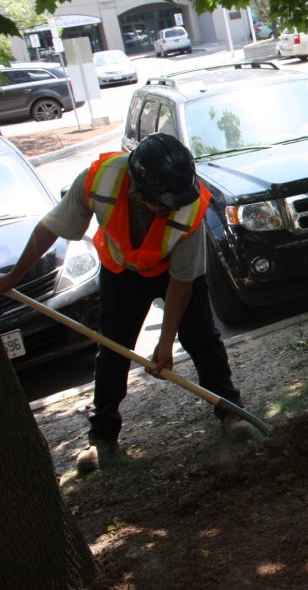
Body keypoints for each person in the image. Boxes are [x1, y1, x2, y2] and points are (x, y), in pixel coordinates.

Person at [0, 133, 254, 474]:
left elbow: (182, 281)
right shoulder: (98, 180)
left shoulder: (190, 203)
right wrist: (13, 277)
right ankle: (102, 436)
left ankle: (231, 411)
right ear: (138, 188)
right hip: (121, 270)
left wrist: (166, 343)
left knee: (202, 338)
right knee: (113, 348)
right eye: (163, 202)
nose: (172, 207)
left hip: (173, 272)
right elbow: (51, 228)